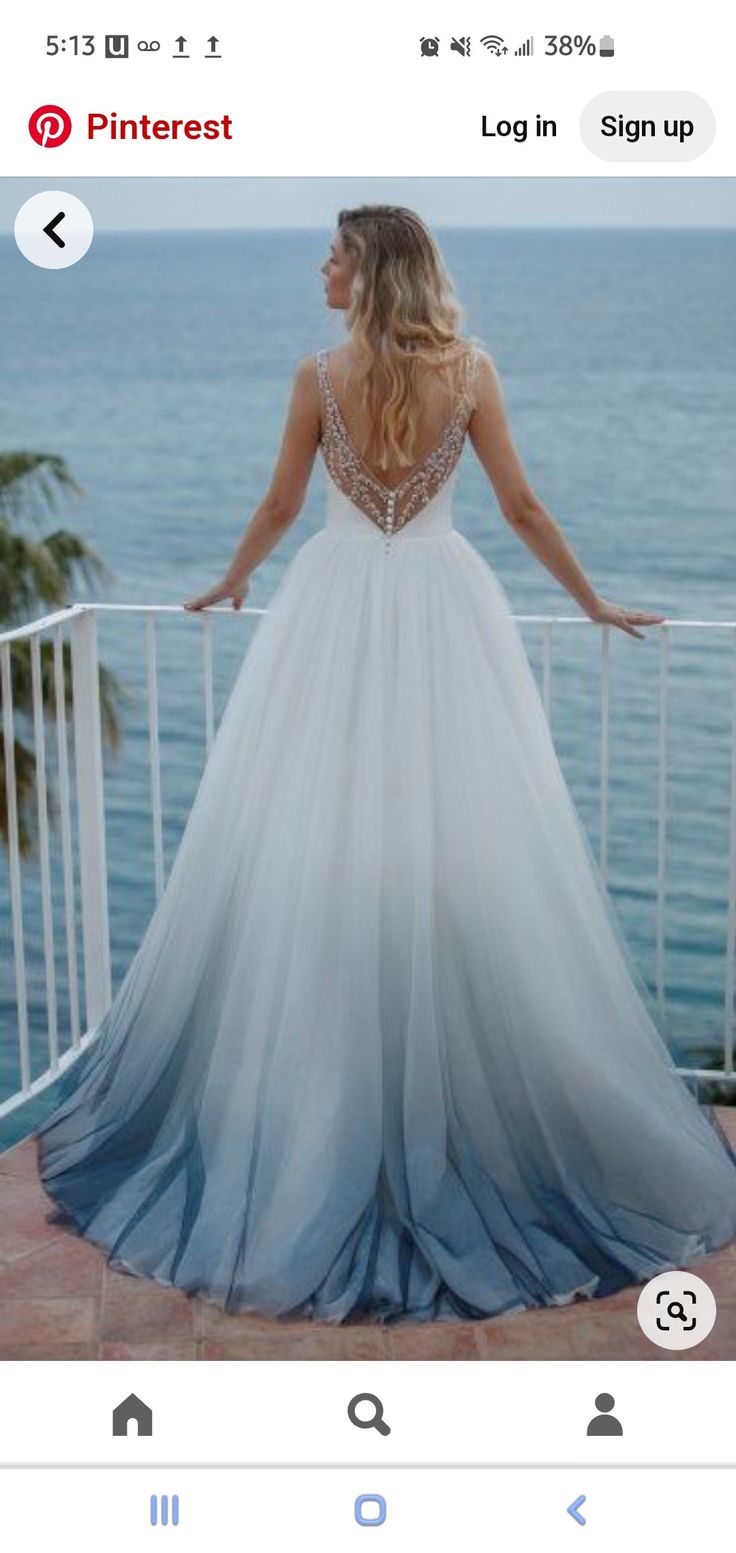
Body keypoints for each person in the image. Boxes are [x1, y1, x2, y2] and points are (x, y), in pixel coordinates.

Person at [35, 205, 736, 1324]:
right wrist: (590, 601)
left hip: (334, 608)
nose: (320, 267)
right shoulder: (471, 371)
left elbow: (278, 504)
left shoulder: (317, 377)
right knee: (454, 836)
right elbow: (517, 504)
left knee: (320, 831)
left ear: (369, 272)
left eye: (333, 254)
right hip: (446, 611)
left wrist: (231, 578)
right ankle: (439, 1088)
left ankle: (331, 1088)